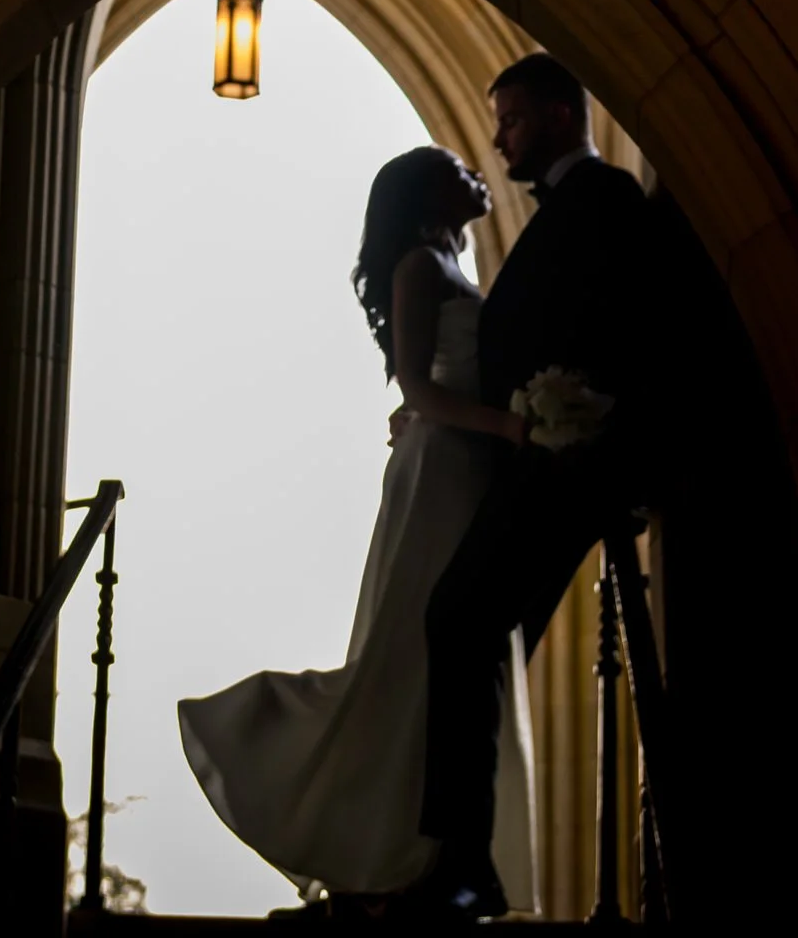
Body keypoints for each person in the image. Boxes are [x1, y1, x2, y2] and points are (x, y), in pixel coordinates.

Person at [177, 146, 539, 918]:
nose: (478, 172)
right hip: (440, 472)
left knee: (446, 664)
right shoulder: (418, 266)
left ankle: (429, 852)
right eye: (456, 170)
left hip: (467, 466)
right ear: (426, 195)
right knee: (408, 652)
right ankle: (271, 740)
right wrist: (510, 427)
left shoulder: (451, 260)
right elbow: (419, 386)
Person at [410, 53, 664, 925]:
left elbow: (618, 329)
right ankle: (460, 860)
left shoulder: (604, 201)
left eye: (510, 121)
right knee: (478, 636)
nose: (498, 141)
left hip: (564, 469)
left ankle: (464, 865)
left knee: (459, 619)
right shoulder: (570, 209)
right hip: (538, 461)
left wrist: (585, 437)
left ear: (559, 115)